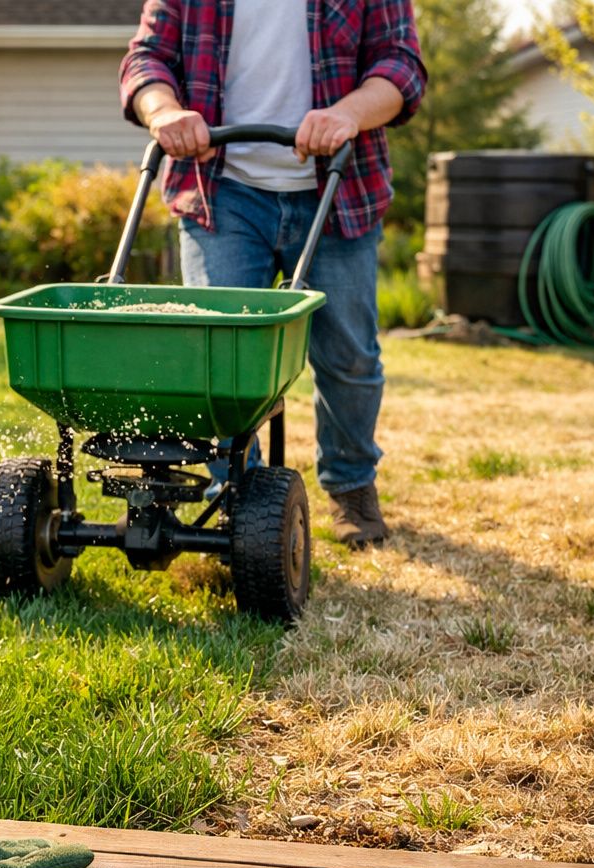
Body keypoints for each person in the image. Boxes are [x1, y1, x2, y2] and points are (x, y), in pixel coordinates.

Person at [119, 0, 425, 549]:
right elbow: (148, 59)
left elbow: (400, 65)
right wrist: (163, 111)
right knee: (222, 358)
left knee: (348, 352)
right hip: (223, 191)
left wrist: (348, 113)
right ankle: (240, 497)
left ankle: (352, 487)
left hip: (336, 187)